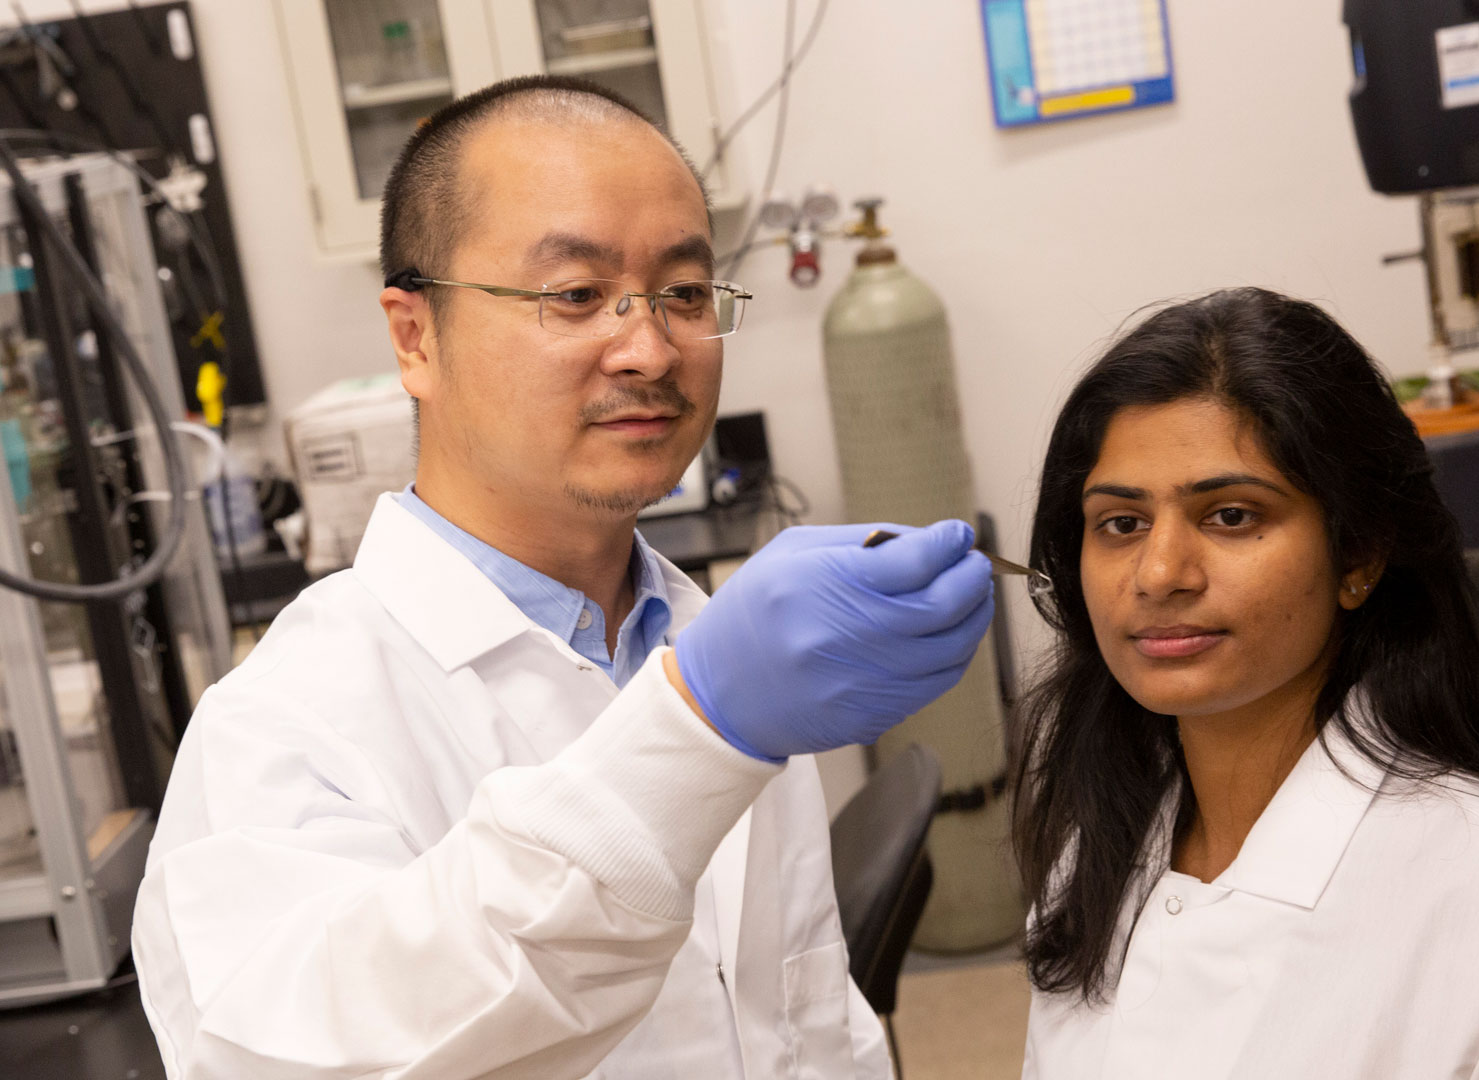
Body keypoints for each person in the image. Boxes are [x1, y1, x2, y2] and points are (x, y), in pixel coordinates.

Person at [131, 75, 996, 1079]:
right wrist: (697, 733)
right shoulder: (285, 728)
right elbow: (314, 1055)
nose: (649, 347)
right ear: (415, 336)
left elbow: (806, 1021)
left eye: (682, 292)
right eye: (576, 295)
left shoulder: (703, 638)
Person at [1012, 287, 1479, 1078]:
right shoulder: (1098, 859)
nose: (1159, 572)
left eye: (1231, 516)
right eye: (1121, 523)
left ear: (1359, 554)